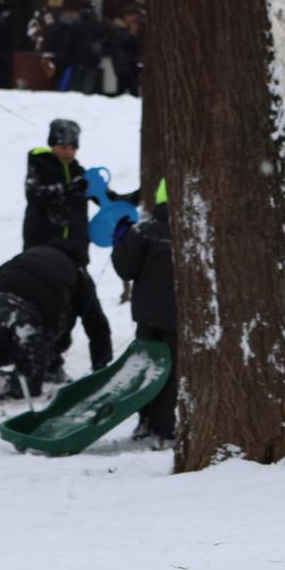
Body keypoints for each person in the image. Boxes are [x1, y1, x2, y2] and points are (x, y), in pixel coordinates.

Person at [0, 241, 112, 404]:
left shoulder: (29, 256)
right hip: (31, 313)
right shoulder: (78, 273)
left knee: (0, 349)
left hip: (0, 300)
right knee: (30, 384)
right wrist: (101, 367)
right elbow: (96, 324)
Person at [111, 179, 175, 443]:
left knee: (146, 366)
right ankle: (163, 428)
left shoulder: (142, 231)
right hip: (177, 316)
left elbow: (125, 269)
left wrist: (121, 242)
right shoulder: (196, 231)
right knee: (170, 372)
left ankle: (144, 422)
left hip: (147, 314)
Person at [24, 118, 90, 257]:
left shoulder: (79, 173)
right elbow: (34, 194)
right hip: (42, 245)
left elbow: (107, 199)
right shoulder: (40, 165)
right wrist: (68, 189)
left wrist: (140, 194)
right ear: (53, 146)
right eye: (63, 147)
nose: (68, 152)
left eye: (73, 148)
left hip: (75, 248)